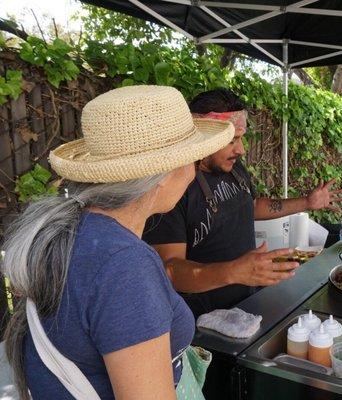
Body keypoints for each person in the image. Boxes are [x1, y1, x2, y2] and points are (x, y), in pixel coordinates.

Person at [2, 85, 234, 399]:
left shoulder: (77, 232)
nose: (194, 171)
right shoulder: (124, 265)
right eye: (191, 159)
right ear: (163, 172)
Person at [143, 88, 342, 318]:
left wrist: (307, 202)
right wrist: (233, 272)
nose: (241, 149)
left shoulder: (233, 169)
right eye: (231, 140)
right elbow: (169, 270)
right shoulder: (172, 187)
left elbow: (252, 206)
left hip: (250, 302)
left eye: (241, 138)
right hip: (204, 320)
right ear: (203, 138)